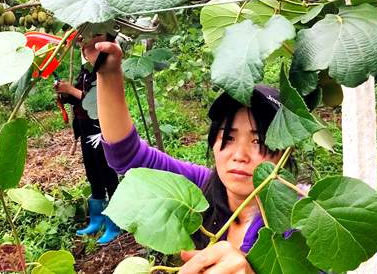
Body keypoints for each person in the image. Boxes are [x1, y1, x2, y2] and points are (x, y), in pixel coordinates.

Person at [93, 40, 290, 274]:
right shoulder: (199, 187)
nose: (239, 155)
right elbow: (127, 156)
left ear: (286, 151)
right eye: (228, 138)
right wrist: (108, 73)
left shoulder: (296, 225)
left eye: (259, 141)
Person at [54, 34, 121, 245]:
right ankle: (97, 218)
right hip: (85, 129)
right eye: (84, 46)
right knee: (92, 172)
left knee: (107, 172)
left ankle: (114, 221)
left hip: (101, 129)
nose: (86, 49)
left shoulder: (104, 73)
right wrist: (64, 94)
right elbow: (78, 96)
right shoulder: (85, 72)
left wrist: (71, 90)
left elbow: (96, 99)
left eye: (93, 45)